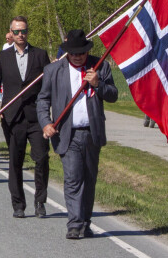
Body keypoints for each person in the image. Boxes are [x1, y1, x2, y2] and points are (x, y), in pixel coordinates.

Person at [38, 29, 118, 239]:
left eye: (81, 53)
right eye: (73, 53)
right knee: (73, 178)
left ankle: (85, 221)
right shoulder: (53, 70)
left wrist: (98, 84)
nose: (77, 56)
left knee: (89, 179)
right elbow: (43, 100)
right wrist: (46, 123)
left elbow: (113, 95)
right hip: (67, 133)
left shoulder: (100, 66)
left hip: (92, 132)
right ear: (67, 52)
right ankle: (74, 224)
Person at [0, 16, 51, 218]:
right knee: (15, 160)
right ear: (11, 33)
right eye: (16, 32)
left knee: (41, 159)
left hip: (36, 117)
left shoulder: (40, 55)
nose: (20, 35)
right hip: (13, 117)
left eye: (23, 31)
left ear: (27, 32)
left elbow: (49, 84)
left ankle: (40, 202)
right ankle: (18, 204)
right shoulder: (3, 57)